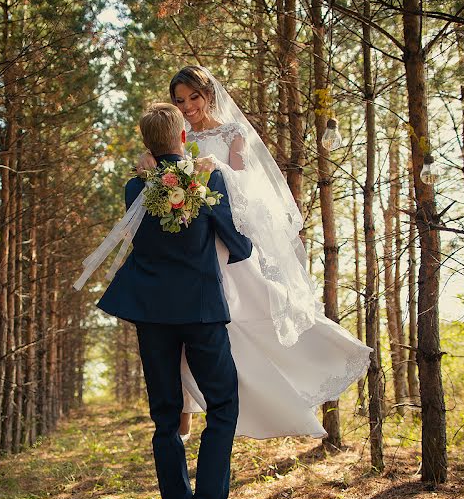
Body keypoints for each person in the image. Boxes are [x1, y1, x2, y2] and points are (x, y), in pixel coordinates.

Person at [136, 66, 373, 441]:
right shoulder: (175, 137)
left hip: (221, 239)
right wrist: (148, 165)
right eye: (180, 101)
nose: (188, 106)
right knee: (184, 325)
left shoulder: (233, 134)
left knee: (254, 309)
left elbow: (246, 185)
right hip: (187, 244)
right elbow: (159, 173)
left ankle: (305, 373)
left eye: (194, 98)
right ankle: (181, 422)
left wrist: (213, 171)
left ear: (208, 94)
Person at [95, 103, 253, 499]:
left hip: (152, 314)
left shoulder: (134, 188)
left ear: (147, 145)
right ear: (184, 137)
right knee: (223, 406)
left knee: (166, 419)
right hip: (202, 311)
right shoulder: (206, 180)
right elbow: (234, 241)